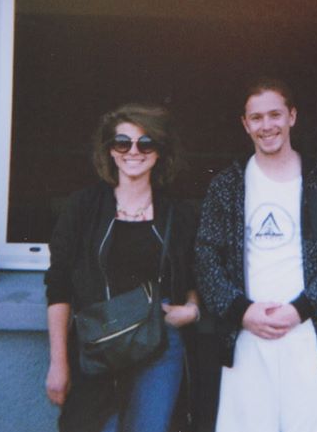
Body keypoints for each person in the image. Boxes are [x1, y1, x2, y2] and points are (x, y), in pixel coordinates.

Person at [196, 78, 317, 432]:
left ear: (292, 117)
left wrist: (300, 309)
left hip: (306, 334)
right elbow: (206, 257)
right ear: (245, 124)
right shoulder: (227, 185)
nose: (266, 125)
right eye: (256, 118)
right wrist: (242, 311)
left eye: (275, 115)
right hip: (245, 335)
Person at [44, 103, 200, 432]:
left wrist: (192, 309)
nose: (133, 152)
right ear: (110, 151)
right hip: (99, 343)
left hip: (159, 343)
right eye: (122, 142)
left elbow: (194, 275)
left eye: (146, 143)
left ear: (159, 152)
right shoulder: (84, 207)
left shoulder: (179, 214)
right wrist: (58, 362)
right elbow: (59, 285)